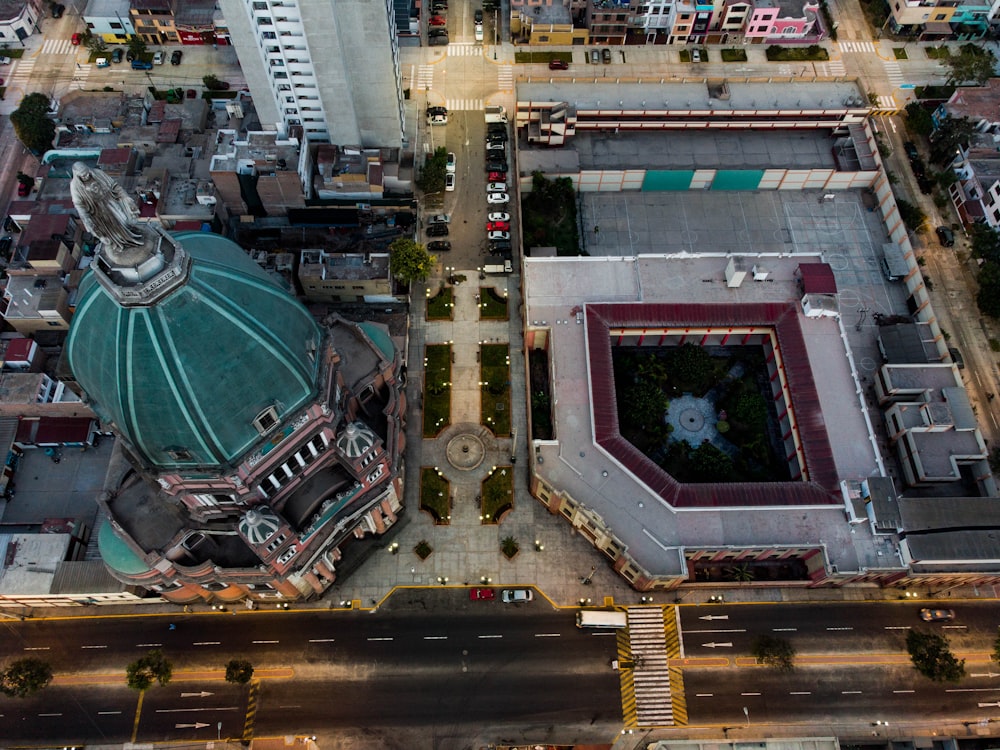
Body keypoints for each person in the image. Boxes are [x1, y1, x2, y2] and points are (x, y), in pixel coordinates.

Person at [70, 162, 147, 259]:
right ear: (77, 176)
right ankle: (124, 243)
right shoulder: (75, 186)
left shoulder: (97, 173)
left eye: (87, 172)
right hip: (98, 212)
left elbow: (114, 185)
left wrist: (125, 197)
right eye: (82, 175)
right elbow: (79, 205)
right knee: (114, 231)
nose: (86, 176)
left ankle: (133, 235)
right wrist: (86, 218)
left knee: (123, 220)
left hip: (110, 201)